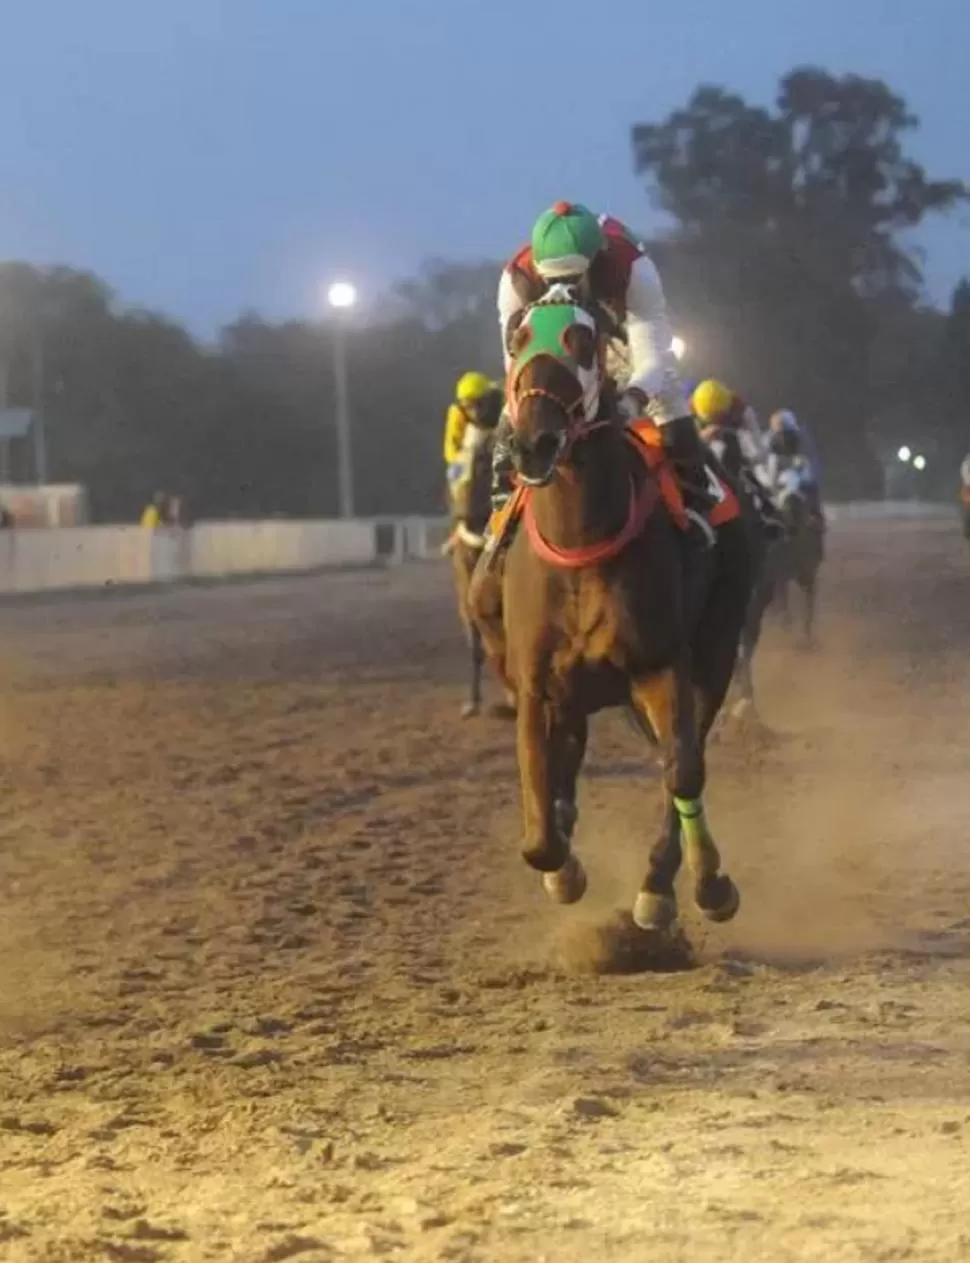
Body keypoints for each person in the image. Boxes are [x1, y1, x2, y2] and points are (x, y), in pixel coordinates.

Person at [490, 202, 711, 517]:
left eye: (572, 277)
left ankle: (697, 503)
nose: (561, 290)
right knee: (515, 410)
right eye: (551, 279)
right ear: (537, 266)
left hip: (621, 338)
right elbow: (514, 366)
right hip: (558, 343)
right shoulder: (516, 278)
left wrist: (632, 400)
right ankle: (498, 512)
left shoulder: (633, 268)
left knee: (668, 396)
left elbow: (651, 359)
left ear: (598, 260)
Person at [443, 372, 504, 518]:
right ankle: (461, 514)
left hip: (499, 443)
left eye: (479, 405)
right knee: (454, 472)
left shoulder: (501, 402)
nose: (475, 412)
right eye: (469, 407)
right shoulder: (457, 413)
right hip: (472, 451)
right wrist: (467, 459)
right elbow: (450, 450)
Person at [766, 410, 823, 520]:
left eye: (787, 435)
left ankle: (815, 514)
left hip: (795, 473)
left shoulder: (802, 442)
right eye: (780, 434)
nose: (784, 439)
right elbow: (767, 462)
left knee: (812, 484)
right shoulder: (770, 442)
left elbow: (810, 461)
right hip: (779, 476)